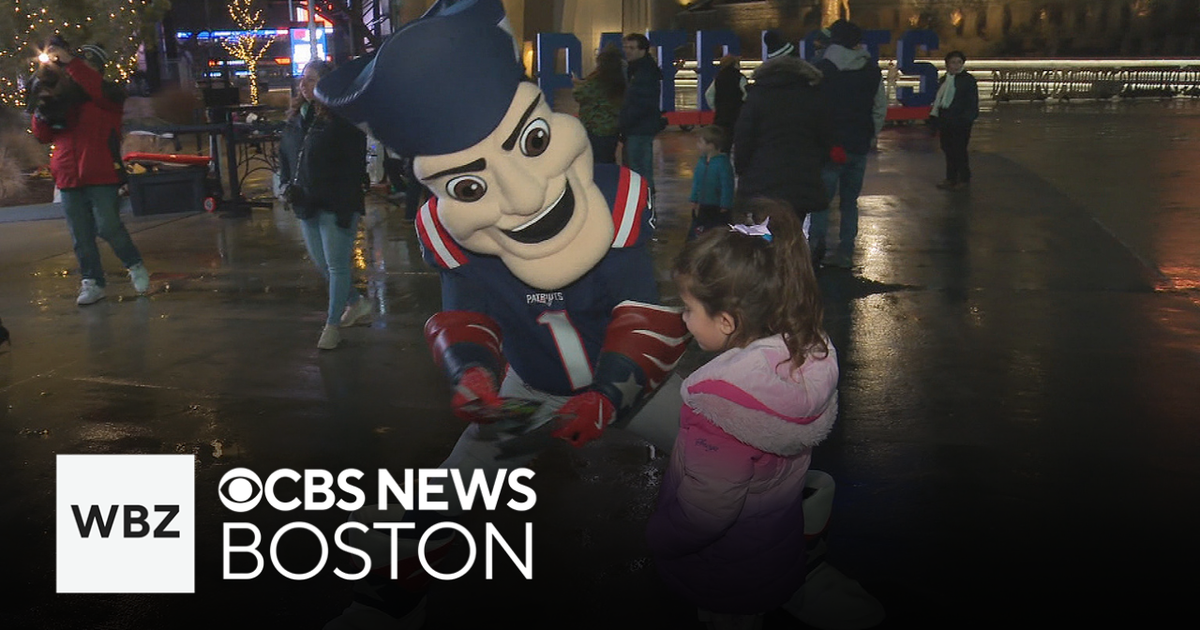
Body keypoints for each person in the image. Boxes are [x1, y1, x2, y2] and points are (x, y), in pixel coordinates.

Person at [315, 1, 689, 625]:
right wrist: (472, 375)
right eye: (466, 185)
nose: (522, 195)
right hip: (530, 387)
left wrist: (608, 396)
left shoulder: (613, 194)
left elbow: (640, 308)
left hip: (633, 386)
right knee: (446, 494)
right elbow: (465, 314)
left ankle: (792, 565)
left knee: (736, 452)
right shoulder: (448, 230)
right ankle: (393, 597)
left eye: (533, 142)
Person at [647, 199, 839, 629]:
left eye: (691, 309)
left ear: (729, 321)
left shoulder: (720, 408)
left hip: (721, 565)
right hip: (770, 548)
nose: (684, 317)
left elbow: (706, 512)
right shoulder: (802, 364)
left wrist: (660, 535)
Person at [31, 38, 150, 306]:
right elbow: (43, 135)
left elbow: (94, 86)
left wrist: (71, 62)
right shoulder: (63, 96)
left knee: (108, 226)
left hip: (101, 171)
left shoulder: (108, 95)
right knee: (81, 235)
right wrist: (42, 111)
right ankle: (92, 281)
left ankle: (134, 264)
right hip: (68, 173)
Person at [278, 60, 372, 350]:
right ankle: (356, 302)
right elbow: (285, 154)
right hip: (306, 202)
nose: (303, 84)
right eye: (302, 79)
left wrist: (346, 201)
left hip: (336, 202)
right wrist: (284, 183)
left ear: (326, 84)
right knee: (322, 264)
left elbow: (353, 165)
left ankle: (331, 326)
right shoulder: (298, 117)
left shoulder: (342, 119)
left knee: (336, 265)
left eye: (310, 79)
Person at [733, 31, 837, 226]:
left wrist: (744, 170)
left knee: (765, 236)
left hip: (762, 183)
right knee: (793, 235)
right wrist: (812, 163)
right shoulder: (813, 95)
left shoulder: (758, 95)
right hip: (802, 181)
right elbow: (826, 138)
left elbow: (743, 139)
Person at [810, 20, 887, 269]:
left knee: (821, 202)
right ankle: (845, 252)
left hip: (830, 147)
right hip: (858, 145)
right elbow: (879, 108)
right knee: (849, 202)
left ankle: (816, 248)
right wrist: (870, 134)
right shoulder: (871, 69)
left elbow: (815, 109)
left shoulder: (822, 69)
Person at [619, 32, 664, 197]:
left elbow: (640, 103)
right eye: (625, 47)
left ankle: (644, 202)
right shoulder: (639, 69)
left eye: (631, 48)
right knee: (639, 168)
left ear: (642, 50)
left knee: (638, 169)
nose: (627, 51)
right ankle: (645, 201)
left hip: (639, 127)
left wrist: (624, 123)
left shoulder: (643, 72)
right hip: (640, 126)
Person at [930, 50, 979, 190]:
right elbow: (938, 100)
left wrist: (967, 119)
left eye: (959, 62)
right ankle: (950, 178)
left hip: (961, 122)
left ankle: (963, 178)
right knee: (948, 149)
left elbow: (972, 102)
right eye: (953, 62)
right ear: (947, 64)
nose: (956, 65)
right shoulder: (944, 80)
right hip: (946, 120)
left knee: (960, 150)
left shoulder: (967, 80)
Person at [572, 43, 625, 164]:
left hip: (595, 129)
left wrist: (577, 84)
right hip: (612, 128)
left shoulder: (598, 80)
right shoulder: (620, 80)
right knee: (609, 160)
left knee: (595, 163)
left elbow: (579, 95)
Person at [688, 125, 735, 240]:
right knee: (702, 229)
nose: (698, 145)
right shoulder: (702, 161)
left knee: (717, 230)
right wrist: (694, 198)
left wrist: (725, 204)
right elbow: (696, 182)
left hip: (717, 206)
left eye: (701, 142)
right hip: (704, 204)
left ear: (711, 145)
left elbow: (727, 186)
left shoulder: (722, 164)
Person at [704, 54, 747, 137]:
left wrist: (715, 108)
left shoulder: (718, 78)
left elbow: (708, 94)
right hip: (737, 115)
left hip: (721, 115)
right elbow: (747, 93)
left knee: (722, 140)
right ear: (734, 64)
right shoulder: (740, 77)